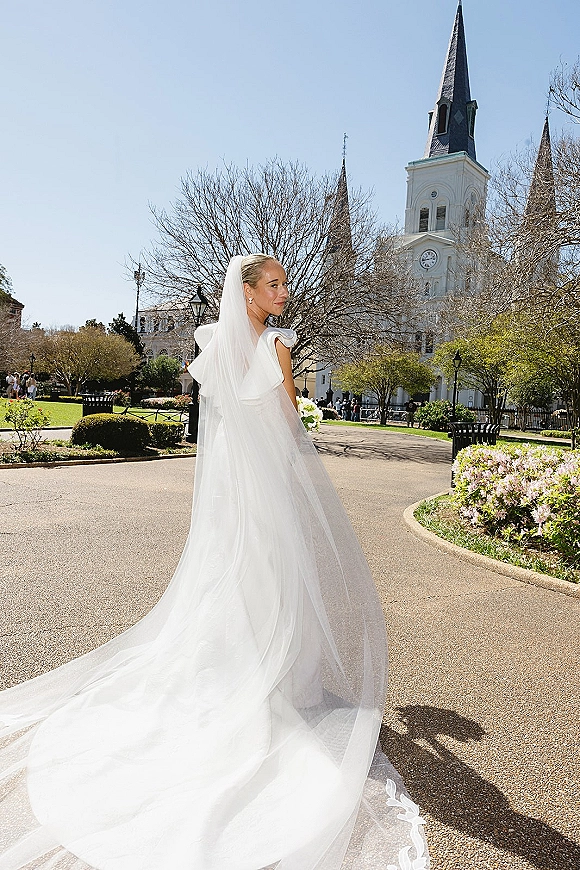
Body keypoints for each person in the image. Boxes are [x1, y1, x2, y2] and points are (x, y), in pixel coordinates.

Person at [0, 255, 428, 869]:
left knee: (235, 576)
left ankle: (241, 669)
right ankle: (268, 677)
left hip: (232, 495)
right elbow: (288, 424)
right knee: (274, 575)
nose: (284, 292)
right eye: (274, 284)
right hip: (267, 488)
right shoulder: (277, 345)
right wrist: (300, 433)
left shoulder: (213, 344)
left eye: (284, 283)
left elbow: (214, 419)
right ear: (249, 292)